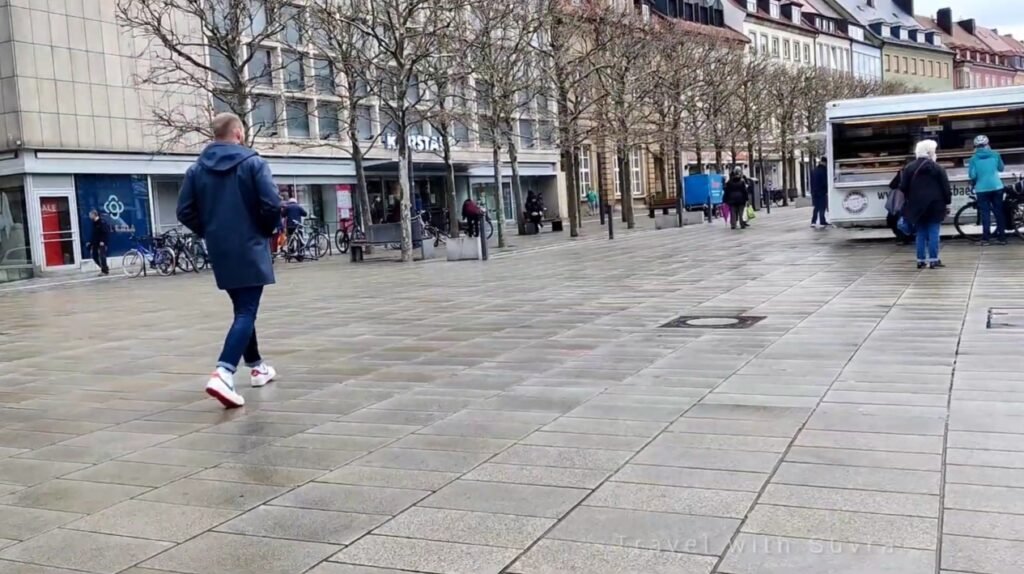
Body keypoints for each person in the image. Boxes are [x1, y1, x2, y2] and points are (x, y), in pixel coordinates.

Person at [177, 113, 281, 408]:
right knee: (247, 311)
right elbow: (271, 204)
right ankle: (224, 372)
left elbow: (184, 211)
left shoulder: (196, 170)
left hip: (221, 249)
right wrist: (264, 229)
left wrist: (210, 232)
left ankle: (258, 366)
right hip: (250, 246)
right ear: (238, 133)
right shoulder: (253, 162)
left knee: (242, 310)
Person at [900, 139, 951, 270]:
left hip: (916, 206)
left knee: (921, 233)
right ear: (929, 152)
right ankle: (934, 260)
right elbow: (946, 187)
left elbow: (903, 187)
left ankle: (920, 260)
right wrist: (947, 202)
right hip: (936, 205)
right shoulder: (938, 168)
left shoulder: (909, 168)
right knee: (934, 232)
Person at [968, 134, 1006, 246]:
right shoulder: (995, 154)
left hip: (982, 189)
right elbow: (1001, 168)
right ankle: (1002, 238)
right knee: (999, 212)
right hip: (997, 187)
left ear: (975, 146)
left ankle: (986, 239)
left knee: (985, 214)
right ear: (988, 144)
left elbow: (972, 175)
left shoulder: (973, 159)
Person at [85, 210, 109, 275]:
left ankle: (105, 271)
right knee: (94, 256)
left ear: (94, 215)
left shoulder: (101, 222)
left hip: (101, 242)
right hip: (95, 242)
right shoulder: (93, 222)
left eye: (90, 215)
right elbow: (94, 234)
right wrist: (90, 242)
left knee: (102, 256)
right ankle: (103, 268)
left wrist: (103, 241)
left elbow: (105, 232)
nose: (89, 216)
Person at [810, 156, 829, 229]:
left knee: (816, 207)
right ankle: (822, 221)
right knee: (822, 207)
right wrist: (827, 190)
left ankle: (813, 222)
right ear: (825, 162)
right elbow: (825, 181)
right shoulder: (824, 170)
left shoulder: (814, 170)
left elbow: (812, 181)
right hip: (822, 191)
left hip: (814, 192)